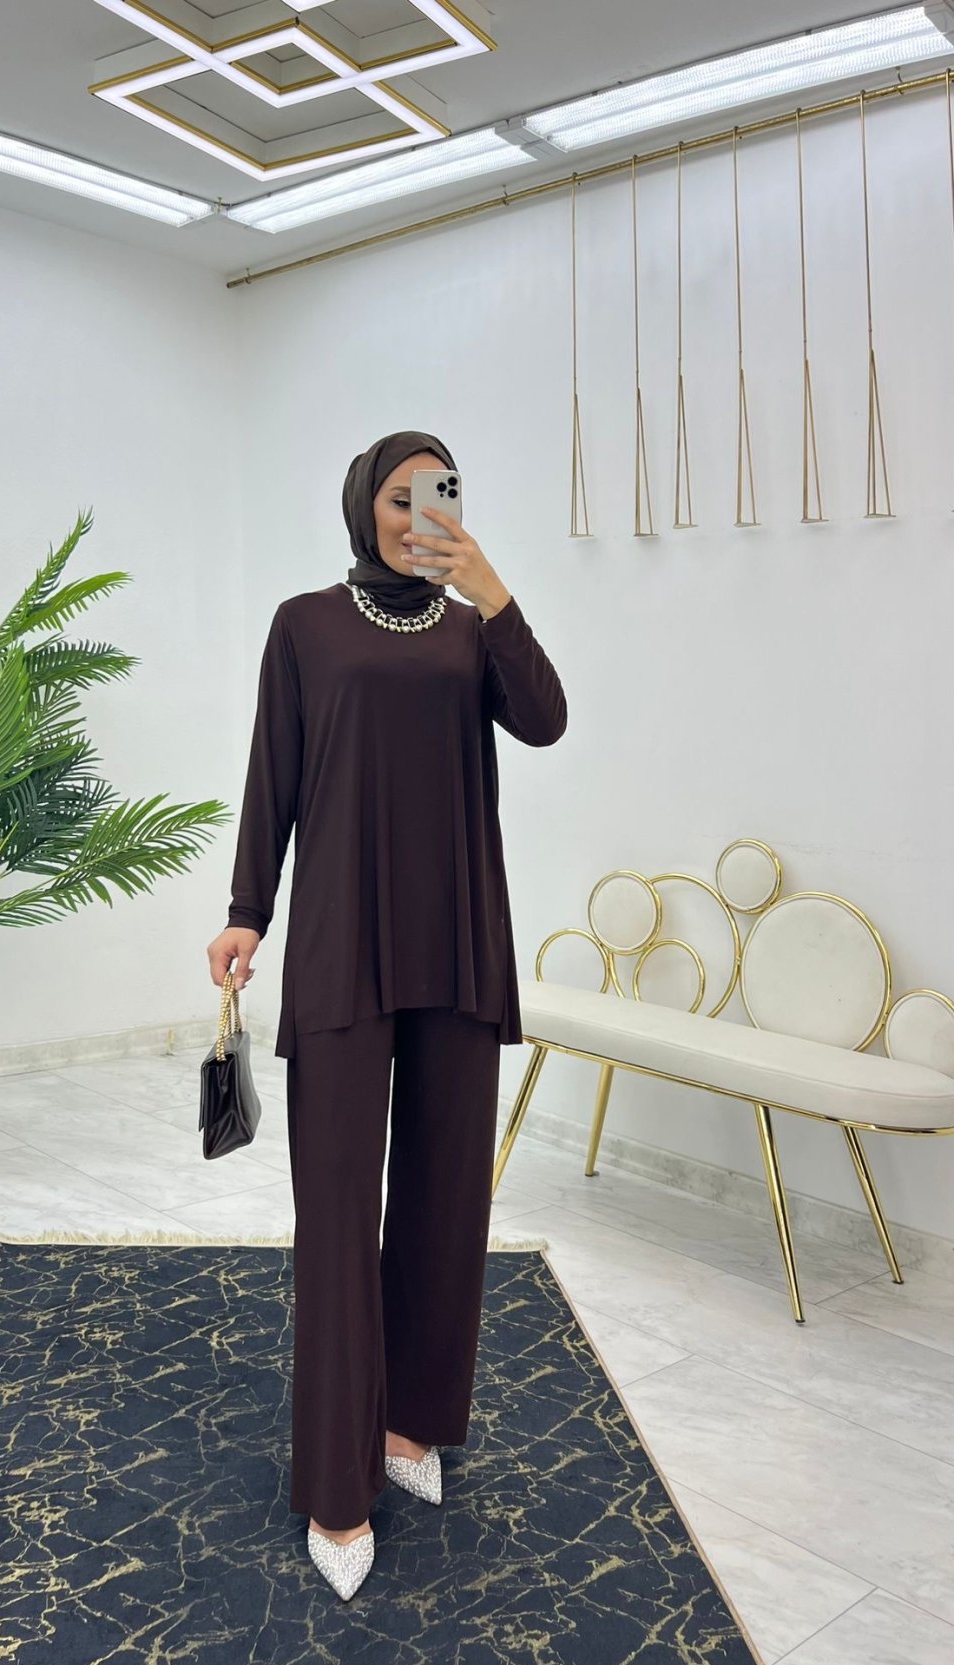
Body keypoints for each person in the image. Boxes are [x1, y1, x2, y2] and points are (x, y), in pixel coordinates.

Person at [206, 429, 567, 1599]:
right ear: (366, 502)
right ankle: (335, 1482)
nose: (421, 515)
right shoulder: (304, 625)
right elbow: (272, 773)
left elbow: (546, 718)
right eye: (402, 496)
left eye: (441, 495)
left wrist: (496, 594)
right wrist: (247, 910)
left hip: (456, 940)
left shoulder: (471, 629)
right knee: (335, 1210)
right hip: (343, 944)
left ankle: (411, 1422)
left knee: (445, 1198)